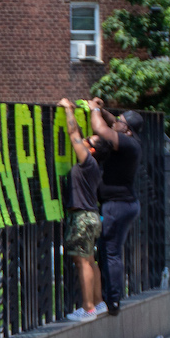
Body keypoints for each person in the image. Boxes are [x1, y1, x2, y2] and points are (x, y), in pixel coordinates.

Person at [86, 97, 143, 315]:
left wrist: (93, 111)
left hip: (117, 206)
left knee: (110, 252)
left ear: (126, 129)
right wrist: (103, 109)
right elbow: (111, 121)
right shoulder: (133, 141)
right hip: (124, 204)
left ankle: (112, 300)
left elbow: (100, 128)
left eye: (119, 121)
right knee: (112, 251)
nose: (114, 122)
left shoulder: (127, 143)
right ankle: (112, 296)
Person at [59, 98, 106, 323]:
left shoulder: (87, 162)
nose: (83, 141)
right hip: (92, 216)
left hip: (82, 217)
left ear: (92, 149)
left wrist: (69, 110)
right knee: (90, 260)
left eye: (88, 140)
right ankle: (98, 303)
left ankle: (88, 308)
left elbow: (73, 134)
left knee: (83, 262)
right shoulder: (94, 167)